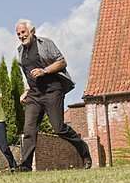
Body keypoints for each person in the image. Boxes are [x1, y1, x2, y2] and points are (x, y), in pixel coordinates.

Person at [14, 18, 92, 172]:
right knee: (29, 130)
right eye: (18, 34)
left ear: (32, 31)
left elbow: (62, 62)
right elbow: (28, 74)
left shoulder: (45, 44)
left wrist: (45, 71)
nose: (21, 36)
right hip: (34, 95)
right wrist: (26, 90)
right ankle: (25, 166)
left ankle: (84, 151)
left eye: (23, 32)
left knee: (59, 128)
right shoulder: (20, 51)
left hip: (52, 91)